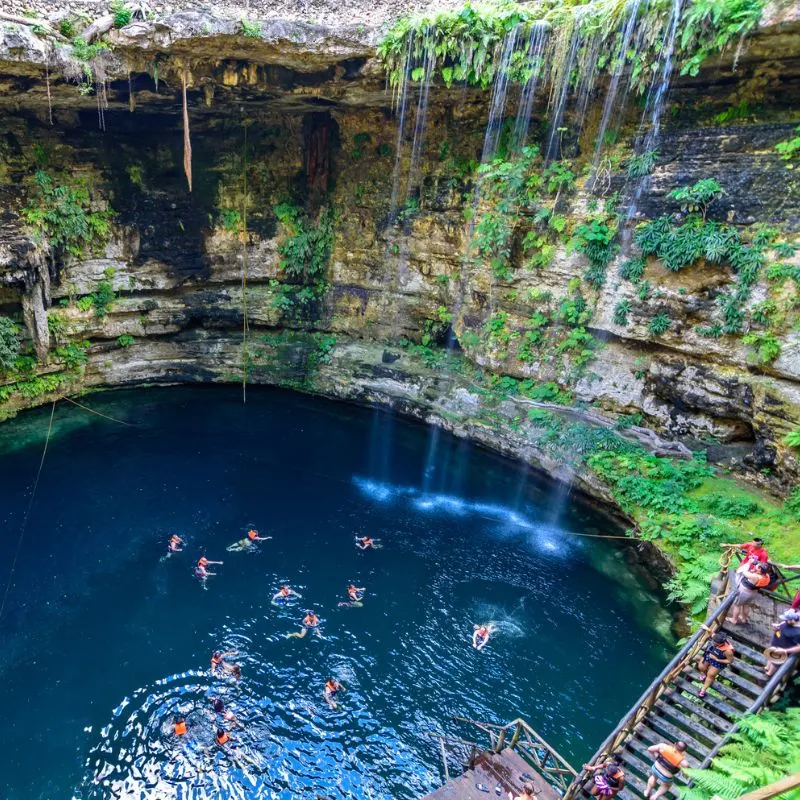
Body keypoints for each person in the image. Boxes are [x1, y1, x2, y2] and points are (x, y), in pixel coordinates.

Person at [697, 631, 735, 698]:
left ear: (720, 643)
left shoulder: (728, 651)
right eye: (713, 641)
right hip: (710, 654)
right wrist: (705, 628)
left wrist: (717, 659)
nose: (713, 642)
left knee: (711, 675)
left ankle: (703, 691)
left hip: (719, 661)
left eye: (715, 642)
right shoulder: (716, 638)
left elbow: (730, 661)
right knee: (701, 666)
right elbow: (711, 632)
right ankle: (704, 675)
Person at [764, 609, 800, 676]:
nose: (785, 620)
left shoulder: (798, 633)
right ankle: (766, 669)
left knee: (774, 664)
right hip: (775, 646)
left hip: (782, 651)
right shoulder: (786, 622)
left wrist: (785, 650)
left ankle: (768, 675)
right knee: (770, 658)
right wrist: (776, 628)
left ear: (792, 620)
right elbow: (780, 628)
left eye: (786, 619)